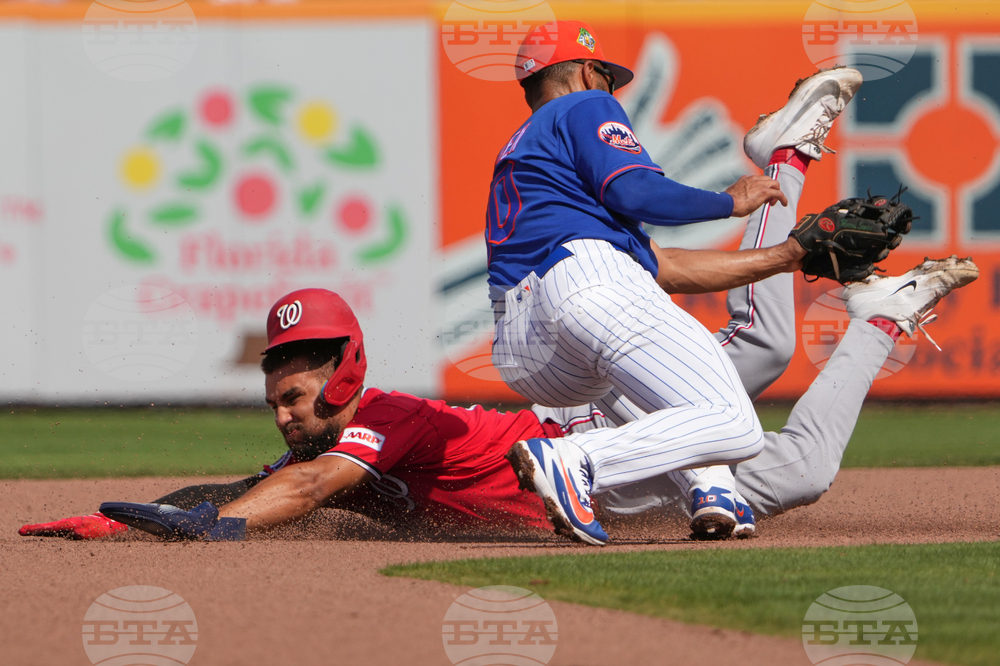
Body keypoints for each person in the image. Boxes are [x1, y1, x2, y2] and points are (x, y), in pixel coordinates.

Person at [18, 254, 978, 543]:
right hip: (600, 447)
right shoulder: (334, 443)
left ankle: (874, 313)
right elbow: (248, 486)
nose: (283, 411)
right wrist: (116, 522)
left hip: (606, 450)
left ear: (341, 374)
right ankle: (795, 195)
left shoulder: (381, 420)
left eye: (296, 393)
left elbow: (294, 494)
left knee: (797, 462)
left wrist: (220, 530)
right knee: (756, 355)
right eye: (275, 395)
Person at [487, 19, 865, 543]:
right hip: (583, 283)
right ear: (588, 72)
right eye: (608, 80)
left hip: (525, 347)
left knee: (656, 386)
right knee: (735, 422)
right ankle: (576, 458)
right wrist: (729, 202)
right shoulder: (584, 105)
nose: (611, 92)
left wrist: (785, 258)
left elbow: (664, 269)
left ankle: (710, 488)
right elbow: (636, 191)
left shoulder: (527, 155)